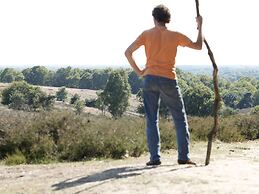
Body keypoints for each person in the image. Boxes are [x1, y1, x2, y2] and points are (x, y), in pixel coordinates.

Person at [125, 4, 203, 166]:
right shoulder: (175, 36)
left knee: (152, 120)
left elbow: (128, 52)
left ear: (154, 18)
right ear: (167, 19)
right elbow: (198, 46)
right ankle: (183, 157)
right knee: (180, 119)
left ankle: (155, 158)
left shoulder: (146, 34)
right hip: (168, 79)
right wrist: (200, 26)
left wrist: (140, 72)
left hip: (150, 78)